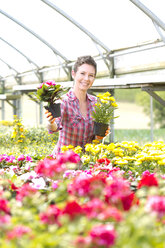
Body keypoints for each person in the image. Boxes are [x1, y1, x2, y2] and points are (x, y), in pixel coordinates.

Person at [45, 55, 109, 155]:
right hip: (63, 162)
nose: (86, 78)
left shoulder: (96, 103)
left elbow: (96, 138)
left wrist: (100, 136)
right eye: (82, 73)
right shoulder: (62, 101)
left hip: (86, 164)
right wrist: (50, 121)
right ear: (73, 74)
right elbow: (54, 127)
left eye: (91, 75)